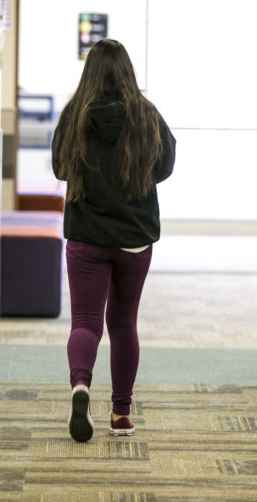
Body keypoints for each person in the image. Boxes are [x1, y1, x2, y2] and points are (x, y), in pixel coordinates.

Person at [50, 38, 176, 443]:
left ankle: (80, 386)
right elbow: (166, 165)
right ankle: (120, 414)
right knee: (123, 324)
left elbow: (58, 167)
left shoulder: (74, 115)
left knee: (85, 322)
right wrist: (134, 183)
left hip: (86, 234)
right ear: (128, 73)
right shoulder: (146, 114)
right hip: (134, 238)